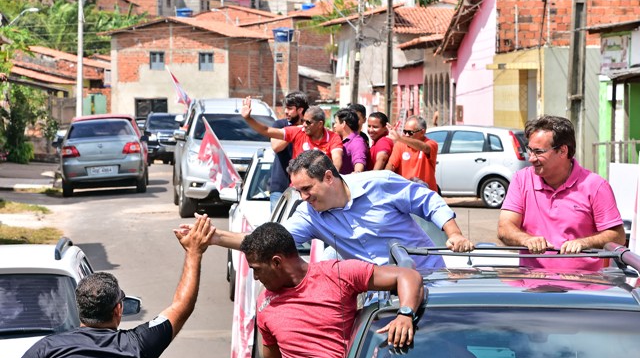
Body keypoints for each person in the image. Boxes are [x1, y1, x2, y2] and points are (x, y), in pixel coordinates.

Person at [0, 215, 214, 358]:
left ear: (79, 309)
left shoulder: (46, 348)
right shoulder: (136, 346)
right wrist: (193, 252)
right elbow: (182, 306)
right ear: (118, 309)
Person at [217, 222, 424, 358]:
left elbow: (407, 275)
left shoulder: (338, 274)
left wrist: (405, 314)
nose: (255, 277)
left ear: (277, 262)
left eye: (257, 269)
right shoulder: (265, 304)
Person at [184, 150, 473, 270]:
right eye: (299, 192)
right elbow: (266, 239)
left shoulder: (379, 183)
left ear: (329, 177)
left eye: (307, 189)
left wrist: (454, 234)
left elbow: (428, 201)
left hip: (429, 279)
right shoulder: (309, 216)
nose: (304, 197)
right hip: (377, 301)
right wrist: (214, 236)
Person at [497, 115, 625, 271]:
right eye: (529, 150)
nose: (531, 158)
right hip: (532, 284)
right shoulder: (521, 179)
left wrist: (583, 243)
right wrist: (527, 240)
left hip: (583, 288)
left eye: (538, 152)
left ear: (563, 151)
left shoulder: (596, 186)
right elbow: (504, 229)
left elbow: (618, 236)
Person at [240, 96, 343, 172]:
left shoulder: (333, 138)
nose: (304, 125)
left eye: (308, 122)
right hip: (298, 190)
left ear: (320, 124)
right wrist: (248, 118)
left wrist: (335, 173)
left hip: (322, 190)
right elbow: (266, 130)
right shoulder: (298, 131)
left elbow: (337, 158)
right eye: (303, 121)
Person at [269, 91, 308, 210]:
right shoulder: (279, 125)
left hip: (305, 188)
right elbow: (276, 147)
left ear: (300, 110)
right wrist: (294, 131)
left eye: (290, 108)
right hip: (280, 187)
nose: (286, 112)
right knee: (277, 227)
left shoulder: (309, 127)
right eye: (285, 108)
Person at [386, 115, 439, 192]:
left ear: (422, 132)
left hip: (427, 192)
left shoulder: (431, 144)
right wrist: (385, 178)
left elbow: (425, 148)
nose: (407, 135)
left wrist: (400, 138)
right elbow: (391, 165)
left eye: (410, 132)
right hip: (406, 192)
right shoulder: (400, 144)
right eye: (405, 131)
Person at [333, 108, 368, 174]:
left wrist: (357, 172)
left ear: (343, 123)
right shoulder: (338, 140)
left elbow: (359, 160)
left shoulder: (357, 142)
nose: (334, 126)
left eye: (336, 122)